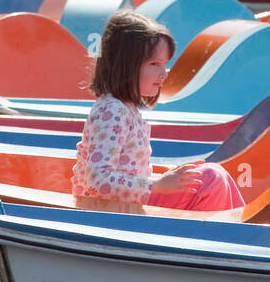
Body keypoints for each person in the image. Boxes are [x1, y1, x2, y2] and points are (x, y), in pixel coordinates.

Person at [71, 12, 244, 211]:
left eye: (165, 65)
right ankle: (232, 232)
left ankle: (242, 222)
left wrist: (163, 181)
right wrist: (158, 185)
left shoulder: (125, 108)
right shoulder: (112, 111)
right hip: (107, 210)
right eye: (154, 64)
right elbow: (98, 180)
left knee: (209, 172)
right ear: (126, 65)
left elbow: (129, 175)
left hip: (124, 205)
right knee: (210, 179)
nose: (163, 74)